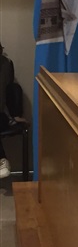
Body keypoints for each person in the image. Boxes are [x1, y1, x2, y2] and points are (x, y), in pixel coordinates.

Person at [0, 42, 25, 179]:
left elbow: (6, 92)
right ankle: (1, 159)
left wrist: (15, 114)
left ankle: (1, 159)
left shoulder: (5, 65)